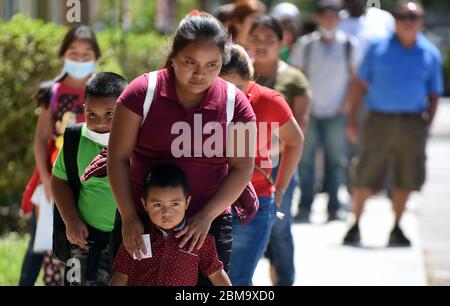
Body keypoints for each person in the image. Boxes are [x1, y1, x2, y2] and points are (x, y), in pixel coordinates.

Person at [107, 11, 256, 286]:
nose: (200, 73)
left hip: (207, 225)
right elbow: (117, 157)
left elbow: (242, 167)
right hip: (143, 221)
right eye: (190, 62)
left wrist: (206, 216)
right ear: (173, 55)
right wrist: (129, 216)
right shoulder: (142, 92)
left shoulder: (237, 103)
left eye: (212, 64)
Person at [343, 0, 444, 247]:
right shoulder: (378, 48)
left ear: (421, 21)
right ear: (395, 21)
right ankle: (355, 224)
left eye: (413, 17)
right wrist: (353, 120)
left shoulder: (430, 53)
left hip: (412, 122)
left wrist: (426, 125)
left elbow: (434, 94)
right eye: (402, 17)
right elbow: (359, 85)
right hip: (379, 119)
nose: (408, 22)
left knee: (406, 175)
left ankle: (397, 227)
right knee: (365, 172)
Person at [19, 25, 101, 286]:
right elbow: (41, 138)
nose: (79, 58)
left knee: (79, 240)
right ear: (63, 54)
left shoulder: (102, 90)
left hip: (88, 182)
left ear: (96, 56)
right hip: (53, 180)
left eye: (86, 54)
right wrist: (46, 180)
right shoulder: (52, 93)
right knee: (38, 241)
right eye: (73, 53)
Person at [220, 44, 303, 285]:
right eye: (224, 86)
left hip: (254, 202)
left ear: (251, 79)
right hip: (210, 202)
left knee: (237, 280)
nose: (232, 94)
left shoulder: (269, 101)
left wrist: (281, 190)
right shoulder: (204, 98)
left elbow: (295, 141)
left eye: (239, 87)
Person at [247, 15, 311, 286]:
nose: (262, 45)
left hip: (279, 164)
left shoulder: (294, 78)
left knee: (281, 229)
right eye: (257, 39)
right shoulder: (234, 71)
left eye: (269, 39)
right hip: (242, 166)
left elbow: (299, 130)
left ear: (281, 42)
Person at [50, 72, 127, 285]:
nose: (101, 123)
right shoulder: (75, 140)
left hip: (128, 239)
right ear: (83, 109)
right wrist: (71, 219)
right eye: (92, 114)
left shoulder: (137, 142)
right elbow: (58, 180)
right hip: (86, 240)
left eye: (110, 114)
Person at [290, 0, 360, 223]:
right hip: (310, 112)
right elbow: (296, 77)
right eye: (325, 16)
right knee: (306, 161)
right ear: (318, 18)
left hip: (336, 112)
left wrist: (347, 106)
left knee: (337, 160)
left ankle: (334, 207)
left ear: (340, 19)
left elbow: (354, 79)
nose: (330, 21)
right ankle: (305, 207)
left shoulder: (350, 45)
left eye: (334, 16)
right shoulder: (306, 45)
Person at [110, 164, 232, 286]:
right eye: (157, 205)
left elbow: (216, 273)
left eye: (175, 204)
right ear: (145, 204)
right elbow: (121, 275)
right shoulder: (136, 237)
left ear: (187, 202)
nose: (166, 212)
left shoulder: (199, 240)